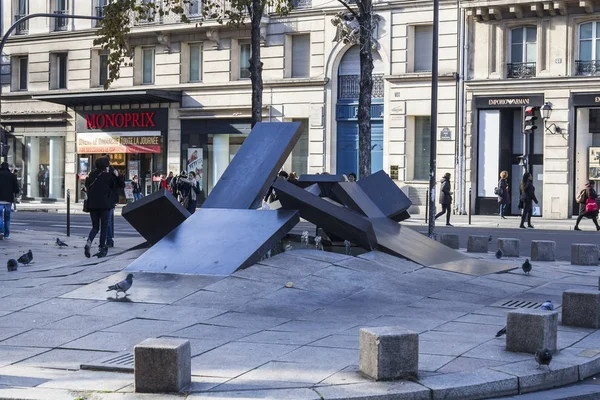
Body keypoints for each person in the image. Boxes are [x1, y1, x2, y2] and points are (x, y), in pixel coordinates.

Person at [84, 157, 117, 258]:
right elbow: (117, 185)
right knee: (104, 227)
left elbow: (86, 186)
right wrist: (115, 174)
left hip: (92, 205)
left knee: (95, 227)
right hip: (105, 206)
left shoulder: (91, 176)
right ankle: (101, 247)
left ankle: (88, 242)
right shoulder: (108, 176)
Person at [103, 155, 124, 248]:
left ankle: (109, 240)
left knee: (107, 221)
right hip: (108, 199)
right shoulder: (103, 172)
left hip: (108, 199)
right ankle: (108, 240)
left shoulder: (111, 172)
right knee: (108, 221)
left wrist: (118, 175)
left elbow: (121, 184)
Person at [0, 162, 20, 240]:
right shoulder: (12, 176)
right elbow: (16, 189)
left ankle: (1, 229)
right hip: (8, 200)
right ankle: (6, 233)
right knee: (7, 217)